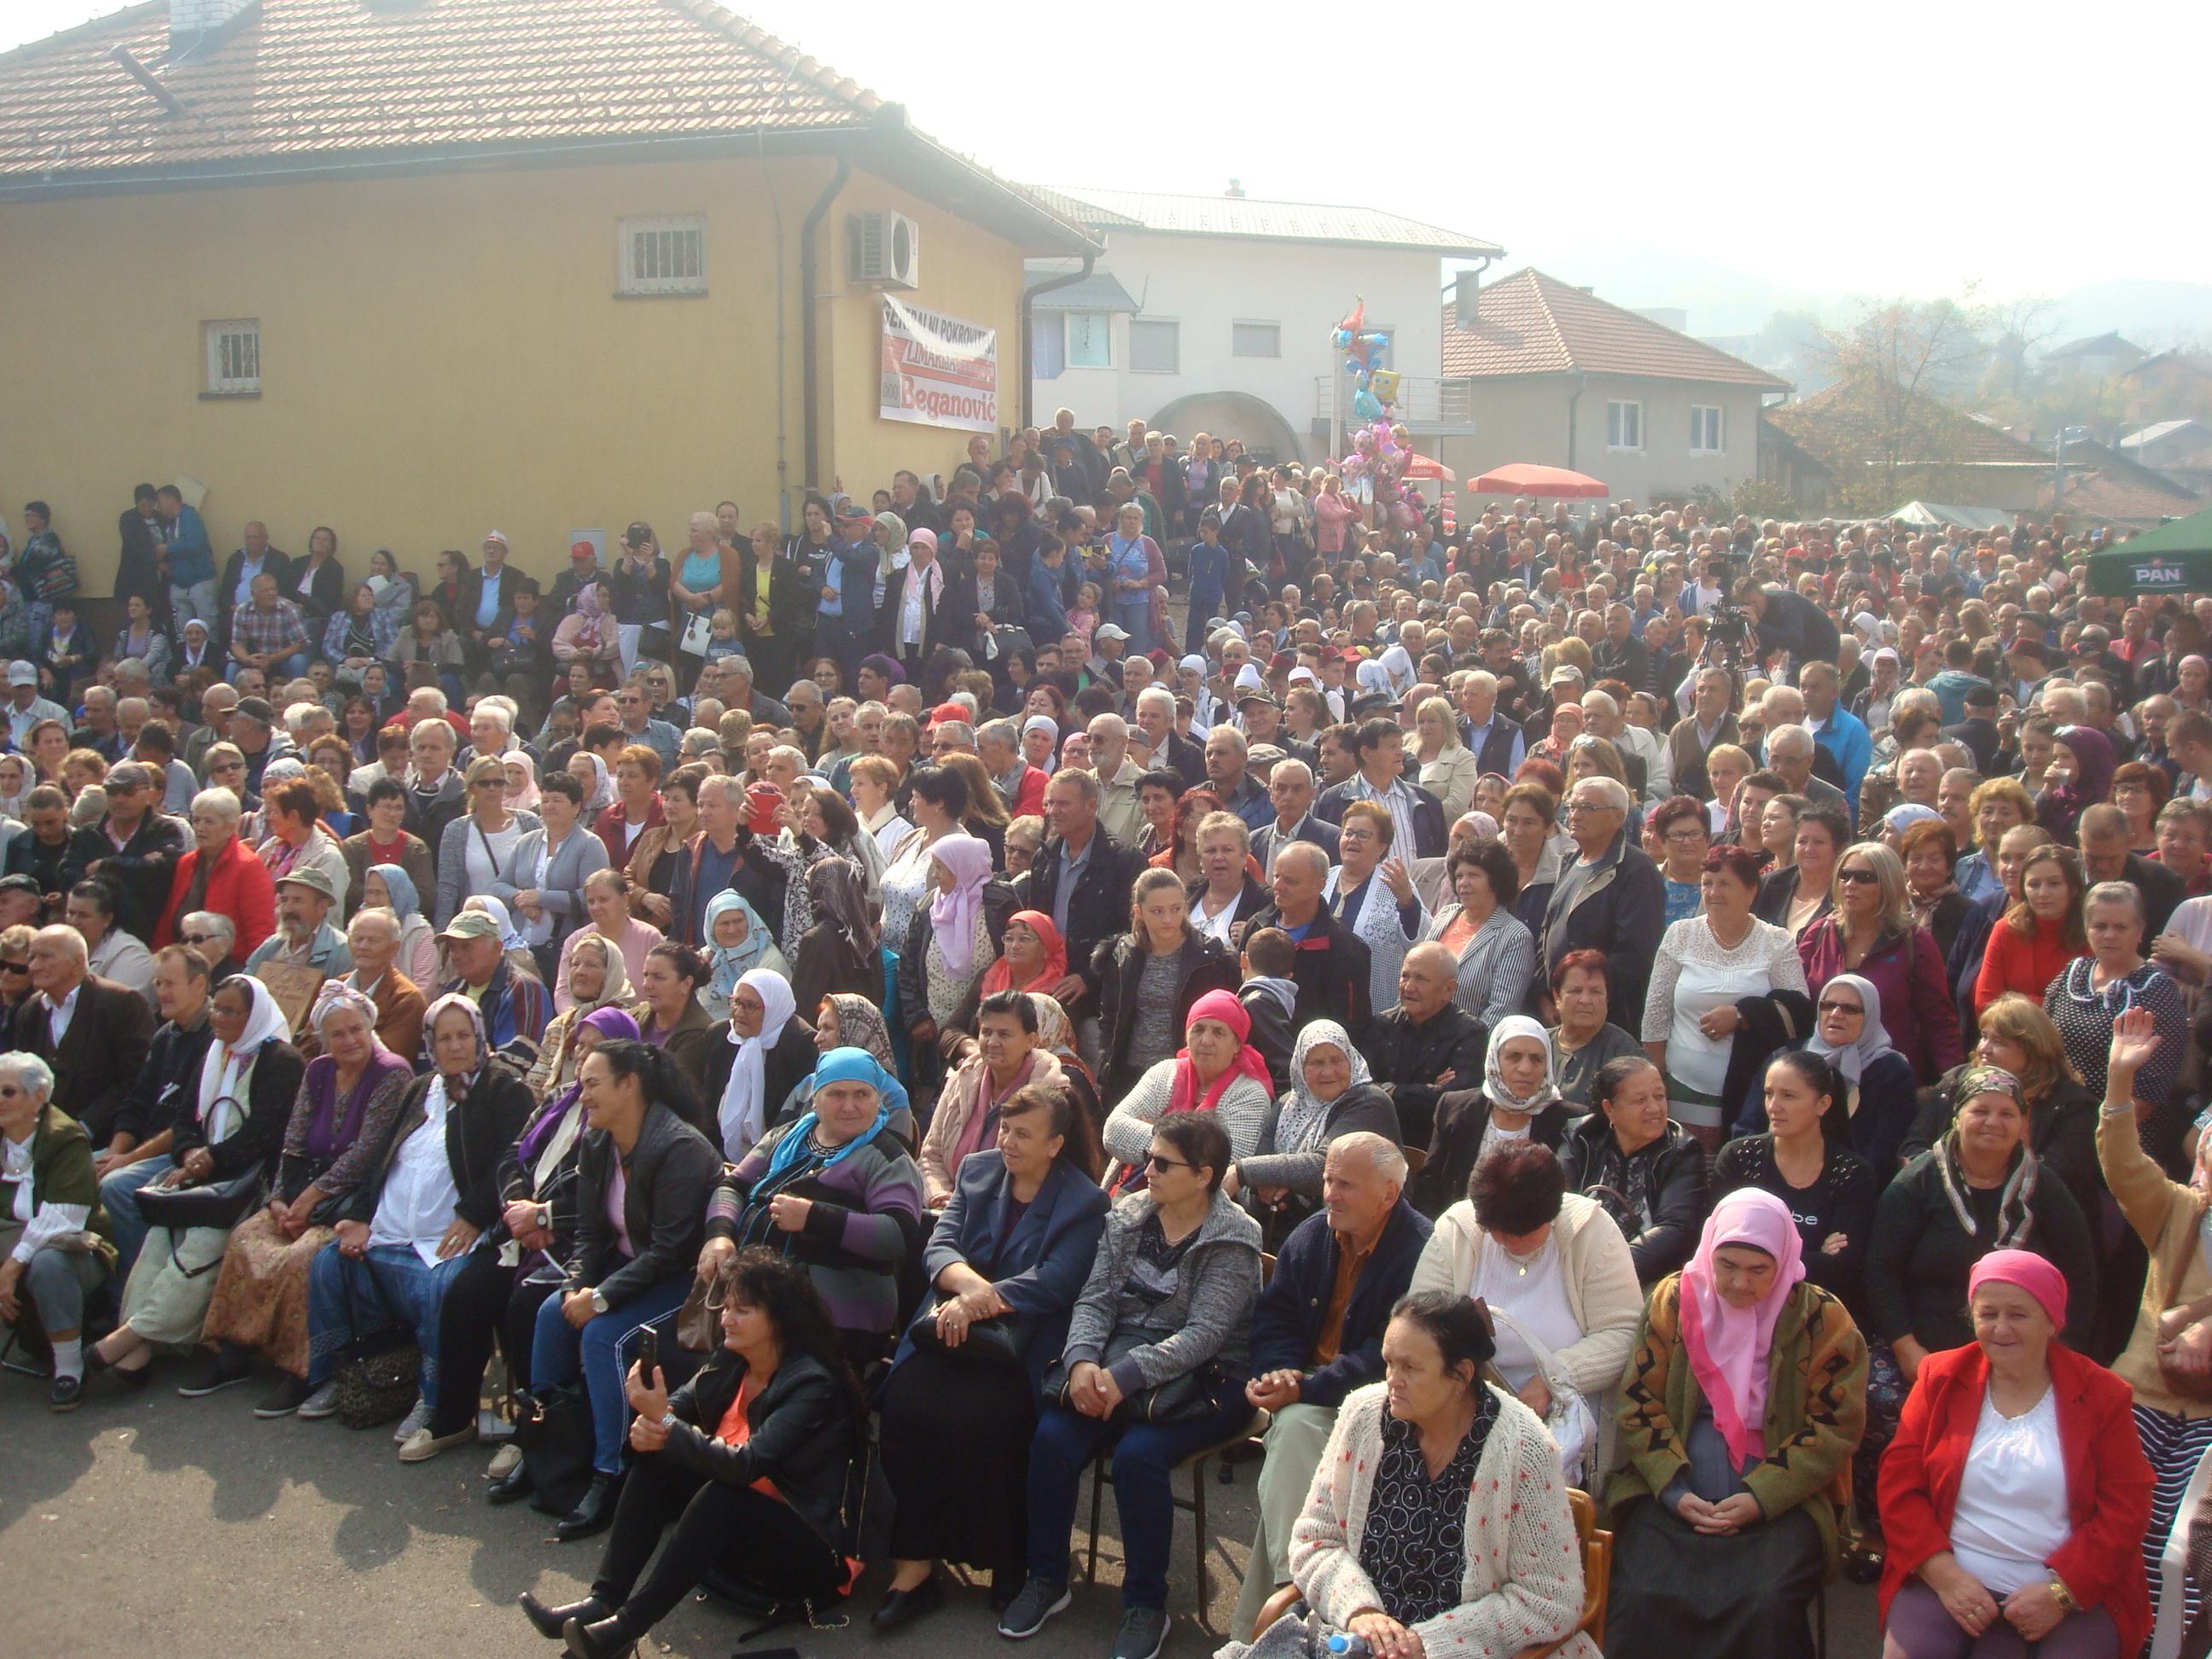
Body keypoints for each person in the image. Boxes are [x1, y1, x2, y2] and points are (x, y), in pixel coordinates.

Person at [518, 1248, 869, 1657]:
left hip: (811, 1555)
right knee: (659, 1460)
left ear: (779, 1321)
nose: (726, 1318)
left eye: (742, 1310)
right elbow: (674, 1415)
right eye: (726, 1306)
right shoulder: (731, 1359)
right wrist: (648, 1426)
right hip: (743, 1536)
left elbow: (746, 1466)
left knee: (724, 1494)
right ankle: (603, 1602)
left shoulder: (811, 1385)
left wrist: (664, 1424)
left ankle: (625, 1629)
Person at [998, 1113, 1262, 1657]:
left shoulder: (1235, 1237)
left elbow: (1205, 1335)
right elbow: (1095, 1298)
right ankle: (1046, 1578)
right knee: (1051, 1436)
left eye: (1164, 1163)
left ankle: (1146, 1604)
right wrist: (1080, 1365)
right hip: (1116, 1366)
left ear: (1204, 1175)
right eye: (1148, 1157)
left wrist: (1121, 1377)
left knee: (1140, 1457)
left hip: (1205, 1382)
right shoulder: (1130, 1214)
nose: (1148, 1170)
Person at [1221, 1291, 1601, 1659]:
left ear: (1461, 1375)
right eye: (1389, 1363)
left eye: (1410, 1368)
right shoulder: (1363, 1415)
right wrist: (1360, 1612)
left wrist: (1424, 1644)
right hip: (1354, 1638)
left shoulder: (1524, 1449)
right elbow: (1314, 1540)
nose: (1392, 1380)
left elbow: (1550, 1600)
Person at [873, 1084, 1111, 1627]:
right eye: (1004, 1127)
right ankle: (913, 1568)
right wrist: (973, 1294)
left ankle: (1008, 1558)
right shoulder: (978, 1171)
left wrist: (979, 1303)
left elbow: (1056, 1282)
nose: (1006, 1141)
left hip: (1021, 1345)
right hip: (950, 1326)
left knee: (984, 1419)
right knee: (906, 1405)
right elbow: (940, 1246)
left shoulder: (1083, 1201)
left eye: (1022, 1133)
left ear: (1055, 1144)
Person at [1604, 1190, 1869, 1659]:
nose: (1739, 1283)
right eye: (1726, 1264)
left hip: (1783, 1503)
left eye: (1758, 1270)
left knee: (1764, 1605)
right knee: (1644, 1596)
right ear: (1709, 1250)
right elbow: (1638, 1403)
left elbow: (1836, 1425)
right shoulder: (1674, 1300)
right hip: (1674, 1495)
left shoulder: (1823, 1319)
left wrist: (1761, 1497)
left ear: (1784, 1261)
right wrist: (1674, 1491)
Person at [1877, 1250, 2152, 1659]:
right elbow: (1899, 1485)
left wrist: (2062, 1592)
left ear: (2052, 1322)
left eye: (2018, 1315)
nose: (2001, 1328)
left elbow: (2127, 1507)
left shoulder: (2103, 1395)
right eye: (1988, 1314)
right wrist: (1944, 1574)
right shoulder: (1939, 1377)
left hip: (2069, 1586)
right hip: (1949, 1573)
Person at [1229, 1132, 1434, 1639]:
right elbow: (1274, 1315)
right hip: (1309, 1393)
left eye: (1345, 1184)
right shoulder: (1314, 1234)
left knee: (1294, 1437)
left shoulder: (1421, 1251)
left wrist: (1305, 1389)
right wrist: (1279, 1371)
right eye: (1327, 1180)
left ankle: (1291, 1599)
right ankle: (1283, 1619)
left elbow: (1385, 1356)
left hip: (1385, 1408)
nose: (1329, 1195)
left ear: (1389, 1194)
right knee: (1293, 1473)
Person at [294, 995, 533, 1424]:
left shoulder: (503, 1088)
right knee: (330, 1264)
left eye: (464, 1036)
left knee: (443, 1285)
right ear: (430, 1044)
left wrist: (474, 1214)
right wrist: (361, 1218)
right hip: (390, 1230)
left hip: (448, 1234)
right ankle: (346, 1374)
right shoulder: (420, 1088)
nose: (455, 1046)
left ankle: (432, 1395)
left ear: (479, 1037)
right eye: (444, 1038)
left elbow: (511, 1160)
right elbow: (382, 1159)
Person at [527, 1039, 721, 1538]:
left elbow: (670, 1251)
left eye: (592, 1083)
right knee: (551, 1313)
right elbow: (590, 1233)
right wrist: (577, 1286)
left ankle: (609, 1475)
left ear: (628, 1084)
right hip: (629, 1269)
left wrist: (601, 1298)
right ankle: (548, 1449)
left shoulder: (678, 1147)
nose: (582, 1095)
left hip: (679, 1282)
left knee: (604, 1336)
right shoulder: (598, 1141)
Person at [450, 1004, 643, 1496]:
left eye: (595, 1050)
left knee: (529, 1306)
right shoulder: (558, 1098)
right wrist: (519, 1206)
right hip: (522, 1227)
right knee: (467, 1289)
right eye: (579, 1048)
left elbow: (601, 1200)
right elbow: (514, 1154)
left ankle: (530, 1428)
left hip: (567, 1238)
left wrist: (544, 1217)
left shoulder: (620, 1119)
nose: (583, 1061)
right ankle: (449, 1413)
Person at [195, 981, 415, 1413]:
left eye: (357, 1029)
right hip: (302, 1193)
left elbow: (367, 1152)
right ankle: (237, 1349)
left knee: (301, 1261)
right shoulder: (317, 1071)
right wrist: (279, 1198)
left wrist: (310, 1199)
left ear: (371, 1028)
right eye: (339, 1034)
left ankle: (303, 1370)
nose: (350, 1040)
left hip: (354, 1200)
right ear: (325, 1038)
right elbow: (293, 1140)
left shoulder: (392, 1073)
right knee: (247, 1238)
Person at [85, 978, 304, 1387]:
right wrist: (188, 1153)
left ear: (252, 1015)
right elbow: (186, 1119)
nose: (217, 1018)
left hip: (246, 1182)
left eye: (229, 1011)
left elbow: (265, 1133)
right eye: (215, 1009)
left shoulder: (282, 1062)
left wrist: (211, 1158)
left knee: (199, 1251)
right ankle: (139, 1348)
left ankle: (131, 1336)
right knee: (157, 1243)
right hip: (201, 1176)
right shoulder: (215, 1053)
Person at [698, 1045, 924, 1365]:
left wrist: (813, 1218)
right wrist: (719, 1234)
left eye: (862, 1095)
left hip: (830, 1323)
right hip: (752, 1302)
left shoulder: (887, 1158)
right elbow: (732, 1185)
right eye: (836, 1094)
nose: (850, 1106)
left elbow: (898, 1234)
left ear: (878, 1100)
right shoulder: (785, 1137)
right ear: (815, 1099)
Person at [1643, 843, 1811, 1151]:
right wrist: (1657, 1082)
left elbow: (1799, 1012)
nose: (1713, 892)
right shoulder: (1681, 934)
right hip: (1682, 1087)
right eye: (1707, 883)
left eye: (1724, 884)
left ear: (1750, 890)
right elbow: (1655, 1012)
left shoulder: (1776, 941)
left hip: (1751, 1091)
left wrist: (1742, 1016)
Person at [2046, 881, 2190, 1172]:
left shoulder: (2157, 991)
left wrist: (2087, 1134)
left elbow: (2149, 1096)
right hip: (2054, 1129)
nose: (2109, 935)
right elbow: (2038, 1044)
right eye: (2100, 926)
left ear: (2140, 932)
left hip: (2120, 1145)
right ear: (2087, 928)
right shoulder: (2073, 972)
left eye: (2121, 928)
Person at [0, 1051, 115, 1410]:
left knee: (49, 1264)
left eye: (8, 1092)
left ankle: (69, 1368)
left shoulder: (65, 1138)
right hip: (14, 1235)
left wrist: (11, 1266)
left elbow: (61, 1218)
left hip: (72, 1244)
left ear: (39, 1096)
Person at [1803, 842, 1965, 1083]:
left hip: (1888, 1081)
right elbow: (1799, 1004)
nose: (1850, 885)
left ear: (1889, 884)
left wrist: (1953, 1078)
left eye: (1864, 877)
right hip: (1821, 1079)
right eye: (1845, 875)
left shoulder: (1915, 942)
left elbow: (1938, 1020)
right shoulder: (1818, 934)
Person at [1229, 1020, 1401, 1242]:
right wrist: (1264, 1194)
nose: (1328, 1071)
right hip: (1291, 1230)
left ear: (1351, 1060)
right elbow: (1257, 1172)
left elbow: (1327, 1166)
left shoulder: (1370, 1102)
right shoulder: (1286, 1105)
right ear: (1300, 1067)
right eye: (1317, 1063)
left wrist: (1241, 1172)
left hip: (1361, 1234)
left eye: (1337, 1060)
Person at [1560, 1054, 1709, 1287]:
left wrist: (1609, 1271)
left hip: (1647, 1278)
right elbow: (1558, 1205)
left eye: (1659, 1096)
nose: (1654, 1108)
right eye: (1640, 1100)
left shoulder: (1682, 1150)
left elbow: (1676, 1229)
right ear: (1609, 1109)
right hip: (1574, 1268)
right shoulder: (1582, 1138)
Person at [1101, 987, 1277, 1182]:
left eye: (1219, 1032)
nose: (1206, 1041)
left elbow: (1226, 1163)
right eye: (1198, 1029)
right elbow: (1114, 1132)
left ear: (1237, 1044)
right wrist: (1194, 1148)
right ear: (1186, 1036)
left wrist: (1158, 1132)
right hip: (1131, 1189)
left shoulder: (1250, 1093)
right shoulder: (1165, 1073)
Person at [1538, 774, 1667, 1024]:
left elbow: (1635, 955)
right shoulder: (1570, 861)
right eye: (1571, 807)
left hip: (1607, 1018)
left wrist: (1581, 996)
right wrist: (1546, 996)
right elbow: (1547, 933)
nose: (1574, 815)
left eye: (1587, 808)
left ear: (1617, 817)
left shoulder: (1636, 870)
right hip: (1560, 1012)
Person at [492, 769, 607, 976]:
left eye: (557, 800)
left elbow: (592, 897)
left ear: (576, 807)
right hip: (519, 947)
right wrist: (522, 899)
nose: (549, 807)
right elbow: (499, 886)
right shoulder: (527, 841)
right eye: (545, 801)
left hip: (565, 951)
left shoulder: (590, 845)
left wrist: (541, 898)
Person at [1326, 799, 1429, 1016]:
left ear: (1382, 846)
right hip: (1322, 1004)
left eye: (1363, 835)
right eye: (1348, 833)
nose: (1353, 840)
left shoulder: (1395, 884)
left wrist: (1407, 903)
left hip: (1374, 1009)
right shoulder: (1323, 878)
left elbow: (1420, 940)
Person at [1423, 839, 1535, 1028]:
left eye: (1473, 876)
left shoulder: (1515, 936)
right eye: (1459, 876)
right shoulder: (1446, 914)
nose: (1463, 883)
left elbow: (1501, 1010)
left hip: (1466, 1049)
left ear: (1496, 880)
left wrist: (1464, 1049)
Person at [155, 787, 277, 958]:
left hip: (231, 968)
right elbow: (168, 922)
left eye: (209, 822)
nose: (200, 828)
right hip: (184, 964)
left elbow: (261, 932)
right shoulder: (186, 863)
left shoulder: (248, 867)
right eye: (196, 820)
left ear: (230, 827)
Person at [1975, 841, 2085, 1016]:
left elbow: (2087, 1010)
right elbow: (1985, 1001)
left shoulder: (2090, 932)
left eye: (2054, 884)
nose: (2043, 893)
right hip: (2012, 1036)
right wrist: (2049, 1006)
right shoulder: (2005, 930)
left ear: (2073, 888)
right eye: (2034, 885)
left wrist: (2018, 1001)